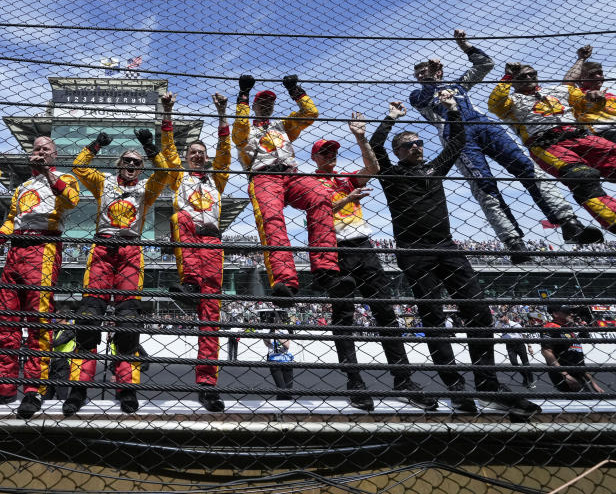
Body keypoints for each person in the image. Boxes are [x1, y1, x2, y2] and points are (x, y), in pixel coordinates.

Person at [370, 98, 540, 418]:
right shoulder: (390, 175)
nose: (416, 146)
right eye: (408, 145)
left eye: (419, 142)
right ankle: (456, 388)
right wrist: (391, 116)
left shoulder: (435, 168)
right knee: (434, 319)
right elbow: (376, 143)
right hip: (413, 251)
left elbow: (458, 140)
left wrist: (452, 110)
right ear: (398, 151)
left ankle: (487, 385)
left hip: (447, 246)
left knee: (479, 312)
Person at [410, 30, 599, 258]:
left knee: (527, 168)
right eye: (419, 74)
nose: (422, 76)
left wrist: (464, 45)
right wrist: (429, 79)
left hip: (485, 126)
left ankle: (568, 222)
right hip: (456, 136)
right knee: (485, 186)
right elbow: (422, 100)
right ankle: (513, 242)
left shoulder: (458, 86)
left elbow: (485, 64)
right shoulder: (419, 95)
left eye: (426, 71)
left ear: (440, 70)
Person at [310, 112, 437, 411]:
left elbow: (374, 167)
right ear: (315, 157)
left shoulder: (345, 177)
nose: (330, 155)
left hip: (364, 246)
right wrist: (346, 200)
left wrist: (360, 137)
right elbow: (319, 212)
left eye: (333, 151)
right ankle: (355, 383)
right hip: (334, 249)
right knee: (344, 319)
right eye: (324, 152)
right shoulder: (308, 183)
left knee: (386, 314)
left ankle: (403, 380)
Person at [60, 126, 169, 417]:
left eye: (137, 162)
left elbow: (166, 172)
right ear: (119, 164)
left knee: (128, 325)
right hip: (101, 249)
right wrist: (96, 144)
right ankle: (78, 388)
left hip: (132, 251)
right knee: (87, 320)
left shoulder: (147, 187)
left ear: (141, 167)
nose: (131, 165)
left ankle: (127, 388)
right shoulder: (104, 182)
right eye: (127, 161)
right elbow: (78, 167)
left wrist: (149, 146)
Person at [0, 136, 79, 419]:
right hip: (15, 249)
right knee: (5, 321)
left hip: (44, 246)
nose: (40, 152)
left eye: (46, 149)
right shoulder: (22, 187)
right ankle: (2, 387)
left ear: (55, 155)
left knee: (38, 322)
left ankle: (34, 389)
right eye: (36, 148)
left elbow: (71, 201)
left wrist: (46, 174)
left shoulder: (65, 177)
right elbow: (12, 217)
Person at [231, 74, 340, 307]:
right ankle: (285, 282)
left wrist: (295, 90)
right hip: (263, 176)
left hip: (291, 174)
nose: (267, 105)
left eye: (270, 102)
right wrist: (243, 96)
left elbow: (310, 113)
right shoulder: (244, 131)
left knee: (321, 195)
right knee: (272, 219)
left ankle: (325, 269)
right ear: (254, 106)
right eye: (262, 102)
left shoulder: (283, 126)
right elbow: (240, 124)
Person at [161, 90, 231, 413]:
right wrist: (166, 111)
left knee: (210, 318)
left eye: (202, 152)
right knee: (179, 216)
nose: (198, 156)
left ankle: (207, 385)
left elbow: (226, 152)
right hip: (190, 240)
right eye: (193, 151)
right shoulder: (179, 178)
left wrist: (221, 115)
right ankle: (188, 282)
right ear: (187, 156)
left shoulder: (217, 180)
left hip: (213, 245)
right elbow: (167, 150)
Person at [489, 61, 616, 234]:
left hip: (581, 136)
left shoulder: (560, 90)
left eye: (532, 74)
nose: (528, 77)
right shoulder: (510, 102)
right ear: (513, 81)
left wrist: (593, 98)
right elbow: (494, 104)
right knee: (581, 176)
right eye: (522, 76)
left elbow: (583, 103)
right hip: (546, 144)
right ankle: (613, 218)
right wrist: (507, 77)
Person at [541, 305, 605, 394]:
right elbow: (546, 351)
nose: (571, 314)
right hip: (564, 376)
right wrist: (566, 375)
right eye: (567, 312)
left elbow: (579, 362)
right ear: (555, 314)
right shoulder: (551, 327)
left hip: (578, 374)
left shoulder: (568, 330)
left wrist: (593, 383)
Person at [562, 45, 616, 143]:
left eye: (600, 73)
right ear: (580, 80)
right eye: (591, 75)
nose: (598, 77)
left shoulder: (611, 96)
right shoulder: (577, 94)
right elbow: (567, 83)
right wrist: (581, 59)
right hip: (601, 134)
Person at [496, 313, 535, 389]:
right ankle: (525, 377)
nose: (500, 318)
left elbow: (524, 335)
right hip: (510, 345)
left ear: (506, 316)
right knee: (514, 363)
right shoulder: (501, 325)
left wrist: (529, 346)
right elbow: (496, 328)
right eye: (499, 317)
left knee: (526, 363)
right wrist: (501, 321)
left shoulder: (515, 324)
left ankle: (530, 381)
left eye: (501, 317)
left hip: (519, 344)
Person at [48, 313, 76, 401]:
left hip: (64, 363)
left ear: (63, 317)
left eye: (56, 316)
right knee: (48, 392)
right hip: (54, 362)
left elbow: (57, 342)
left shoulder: (70, 328)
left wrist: (46, 341)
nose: (54, 318)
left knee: (61, 393)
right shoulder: (58, 329)